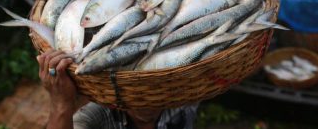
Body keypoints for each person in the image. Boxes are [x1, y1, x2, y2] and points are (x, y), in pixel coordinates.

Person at [37, 49, 198, 129]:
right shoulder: (95, 116)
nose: (144, 104)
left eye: (152, 89)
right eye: (134, 93)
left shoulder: (183, 98)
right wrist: (61, 104)